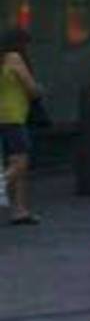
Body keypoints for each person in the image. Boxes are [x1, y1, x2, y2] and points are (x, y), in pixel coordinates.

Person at [0, 29, 41, 224]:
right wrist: (38, 90)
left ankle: (20, 210)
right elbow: (31, 88)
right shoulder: (14, 58)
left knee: (15, 162)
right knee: (20, 163)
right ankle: (1, 185)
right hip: (14, 117)